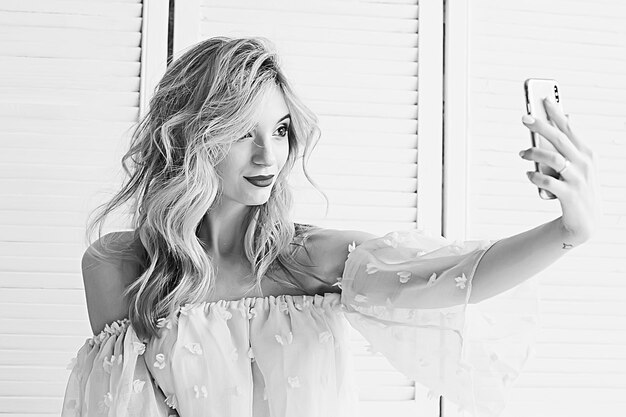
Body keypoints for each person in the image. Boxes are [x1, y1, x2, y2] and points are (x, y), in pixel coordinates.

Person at [61, 37, 599, 417]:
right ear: (190, 137)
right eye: (241, 132)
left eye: (280, 129)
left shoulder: (309, 259)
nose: (269, 154)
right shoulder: (119, 269)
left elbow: (457, 276)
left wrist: (568, 232)